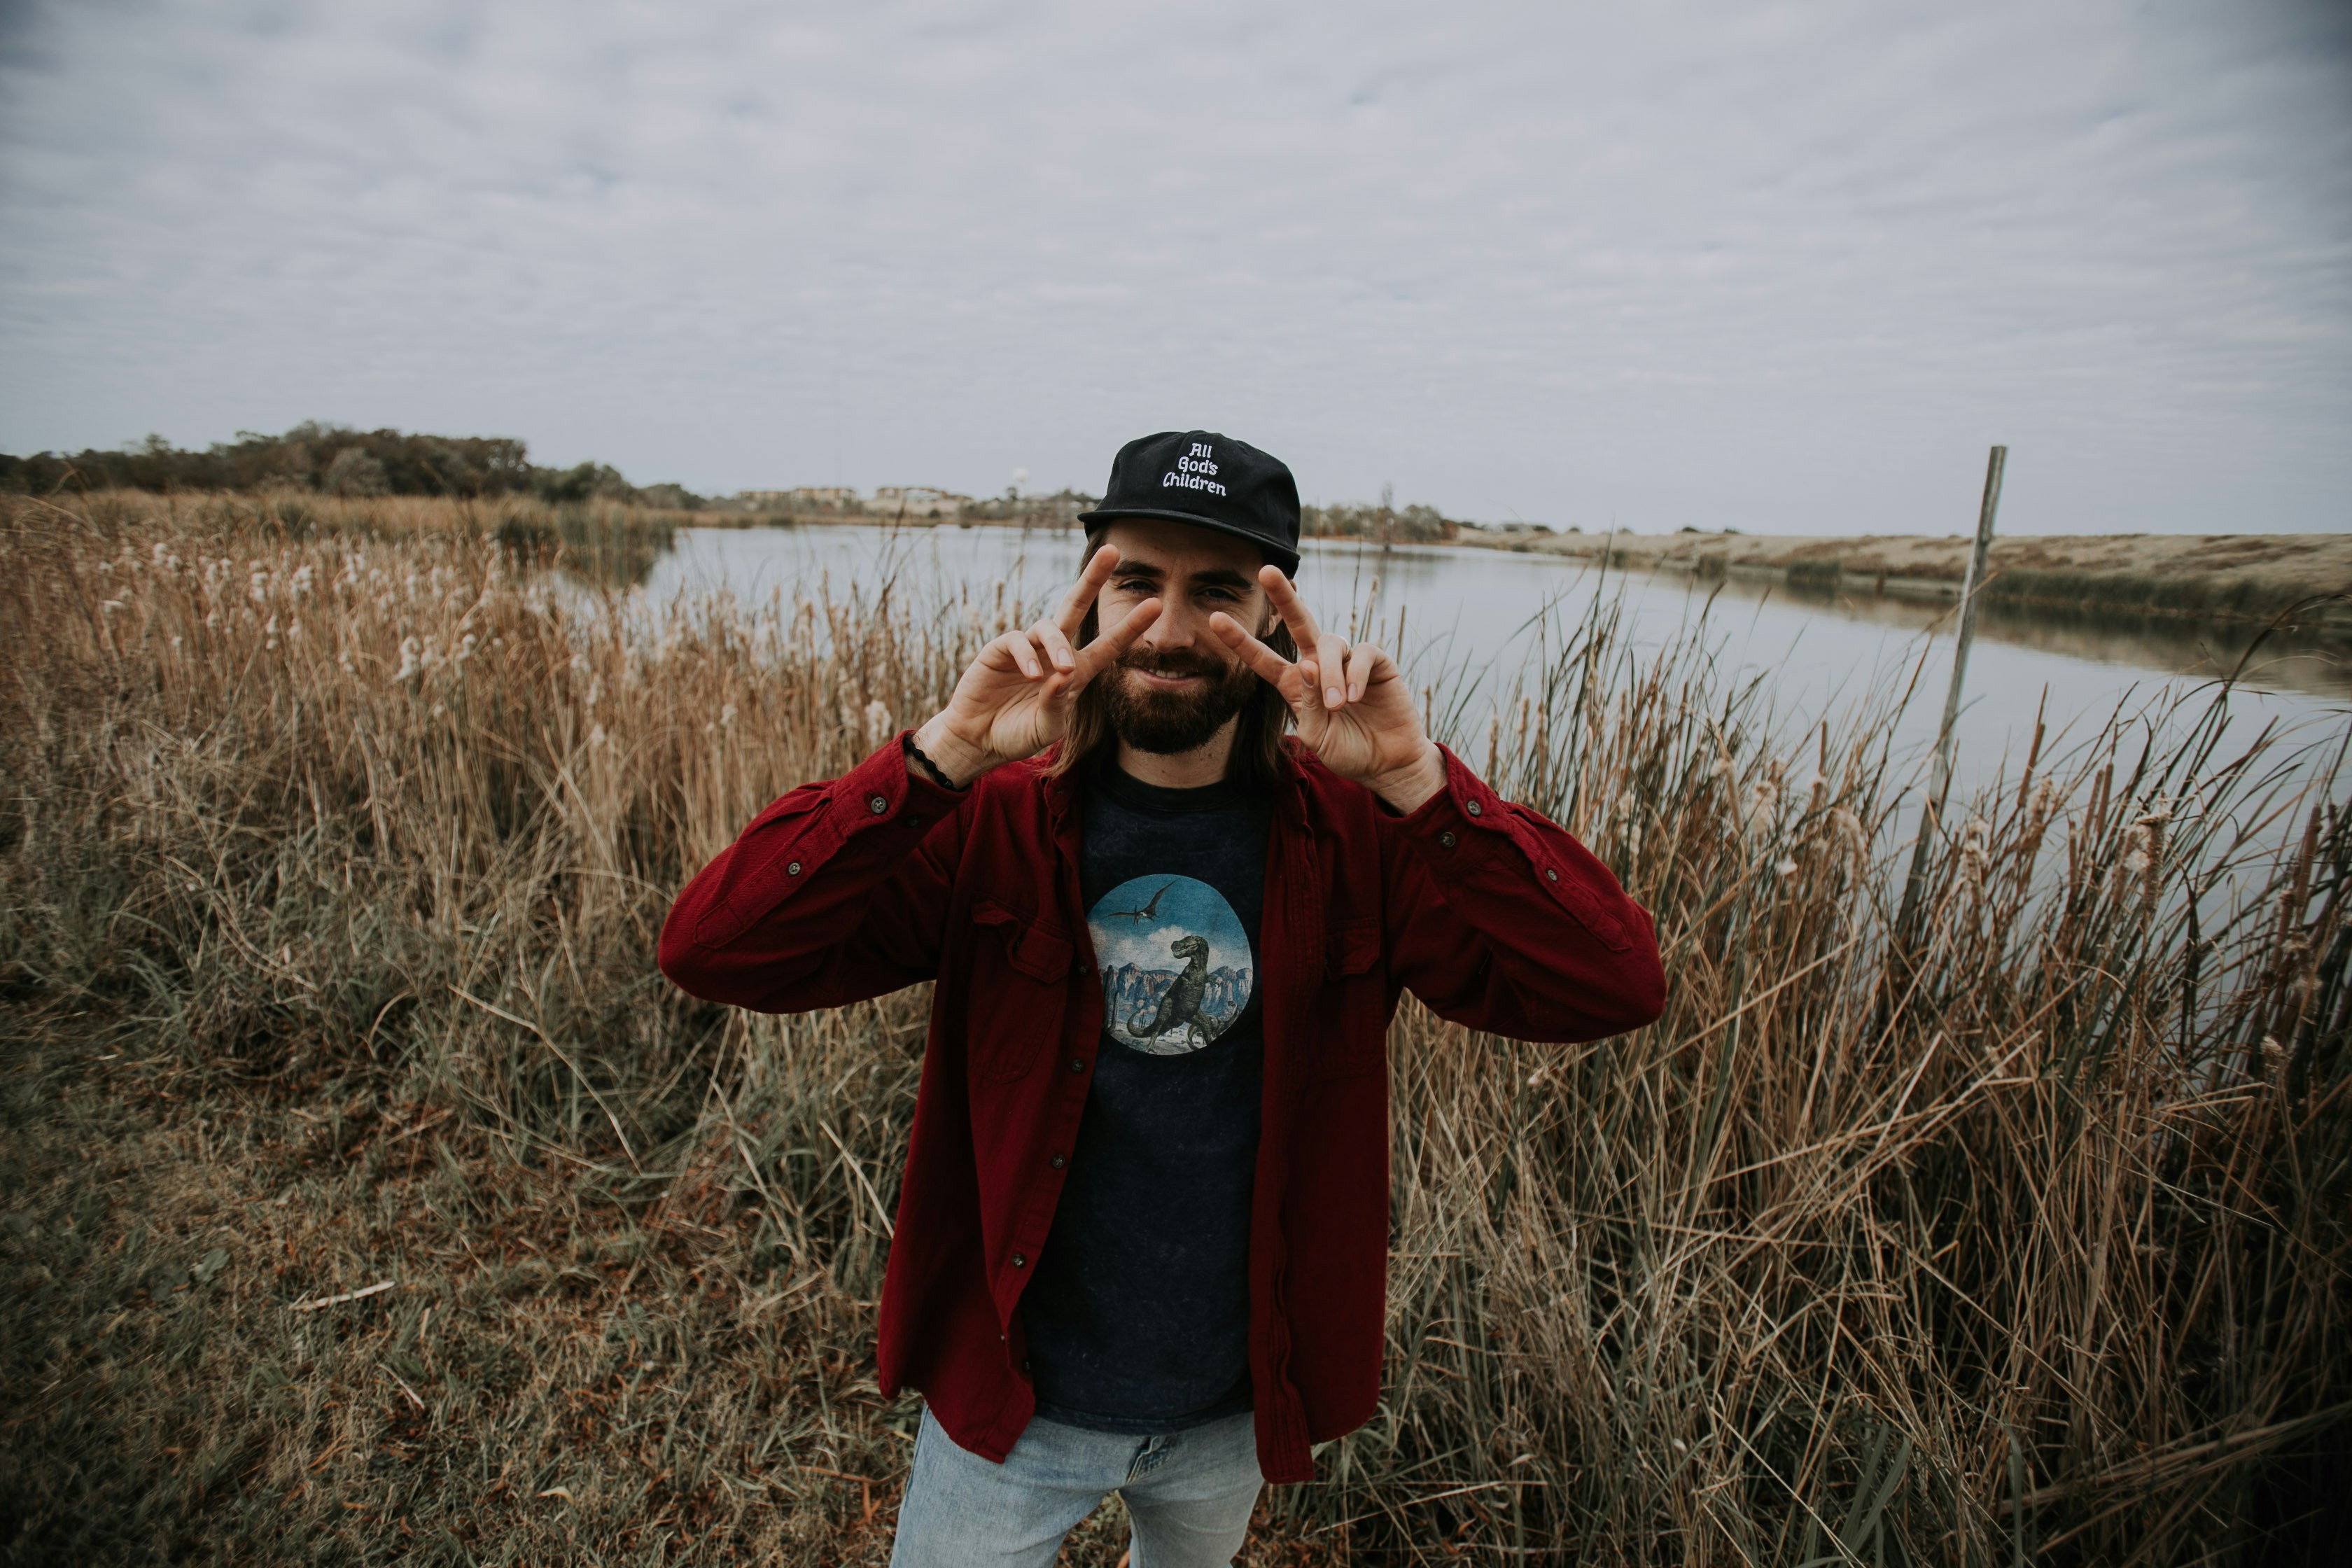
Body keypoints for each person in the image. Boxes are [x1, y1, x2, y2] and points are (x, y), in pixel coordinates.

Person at [657, 430, 1665, 1567]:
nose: (1174, 629)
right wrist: (940, 754)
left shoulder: (1356, 842)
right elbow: (714, 951)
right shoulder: (989, 822)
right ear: (1092, 599)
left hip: (1233, 1405)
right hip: (1014, 1402)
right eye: (1140, 582)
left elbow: (1614, 984)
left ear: (1276, 621)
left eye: (1218, 591)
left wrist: (1418, 785)